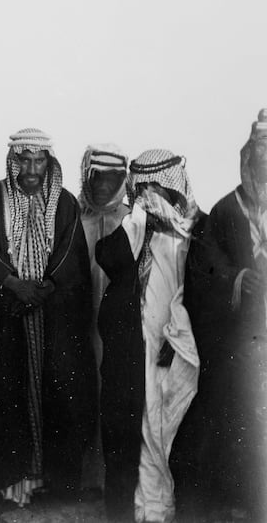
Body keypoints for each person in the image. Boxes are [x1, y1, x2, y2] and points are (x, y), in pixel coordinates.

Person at [0, 128, 96, 506]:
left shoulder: (65, 204)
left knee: (58, 396)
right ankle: (14, 488)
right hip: (7, 319)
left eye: (40, 161)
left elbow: (73, 259)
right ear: (14, 161)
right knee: (9, 396)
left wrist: (48, 286)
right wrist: (12, 284)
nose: (32, 169)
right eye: (25, 160)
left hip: (53, 321)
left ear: (49, 163)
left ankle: (56, 486)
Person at [96, 149, 201, 523]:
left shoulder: (199, 232)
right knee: (126, 450)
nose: (151, 196)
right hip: (131, 361)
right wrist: (138, 216)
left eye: (158, 187)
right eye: (142, 189)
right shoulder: (133, 232)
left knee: (169, 447)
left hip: (178, 360)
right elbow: (108, 257)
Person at [174, 109, 267, 521]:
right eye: (261, 150)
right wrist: (238, 278)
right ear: (248, 156)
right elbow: (205, 269)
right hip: (239, 338)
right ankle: (236, 498)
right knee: (236, 416)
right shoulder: (227, 210)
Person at [77, 144, 129, 492]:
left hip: (121, 327)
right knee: (83, 396)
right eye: (98, 177)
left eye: (113, 178)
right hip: (80, 324)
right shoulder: (73, 218)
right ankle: (87, 480)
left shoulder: (133, 218)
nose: (104, 186)